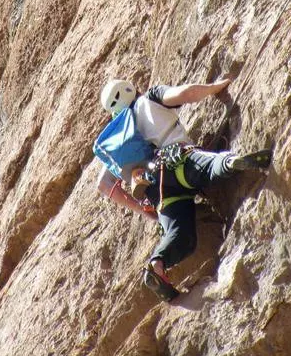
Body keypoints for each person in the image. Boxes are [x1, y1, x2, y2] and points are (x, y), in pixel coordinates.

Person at [96, 78, 272, 301]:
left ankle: (157, 265)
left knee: (181, 236)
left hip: (158, 190)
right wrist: (215, 88)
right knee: (206, 165)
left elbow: (103, 185)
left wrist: (143, 210)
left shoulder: (118, 142)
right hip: (177, 158)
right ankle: (231, 163)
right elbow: (187, 93)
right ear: (131, 89)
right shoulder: (149, 97)